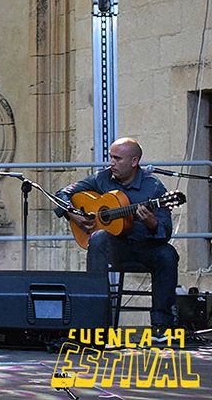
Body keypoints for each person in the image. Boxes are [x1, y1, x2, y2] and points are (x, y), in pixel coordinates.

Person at [55, 137, 178, 335]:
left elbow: (166, 232)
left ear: (134, 161)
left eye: (117, 158)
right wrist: (72, 214)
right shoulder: (101, 179)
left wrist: (152, 223)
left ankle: (162, 326)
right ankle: (95, 321)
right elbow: (62, 194)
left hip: (144, 248)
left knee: (168, 254)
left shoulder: (154, 187)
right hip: (115, 248)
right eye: (111, 157)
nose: (111, 162)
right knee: (98, 237)